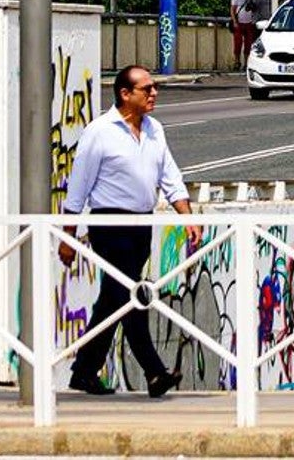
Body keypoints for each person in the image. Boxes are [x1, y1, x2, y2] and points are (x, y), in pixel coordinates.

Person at [59, 65, 195, 398]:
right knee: (132, 296)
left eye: (155, 87)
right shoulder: (100, 131)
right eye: (146, 88)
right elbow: (78, 187)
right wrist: (68, 237)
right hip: (111, 224)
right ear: (125, 93)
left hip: (141, 225)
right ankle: (154, 372)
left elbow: (170, 176)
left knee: (114, 300)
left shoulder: (154, 130)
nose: (154, 93)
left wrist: (187, 217)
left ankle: (84, 372)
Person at [230, 0, 257, 69]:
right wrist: (234, 21)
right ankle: (237, 61)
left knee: (248, 43)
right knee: (238, 43)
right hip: (239, 23)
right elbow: (233, 10)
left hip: (249, 23)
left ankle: (246, 62)